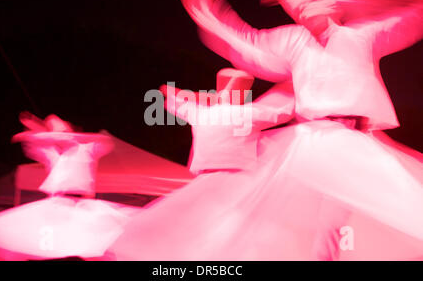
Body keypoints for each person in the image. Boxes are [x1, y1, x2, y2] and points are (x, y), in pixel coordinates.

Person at [179, 0, 423, 259]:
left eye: (310, 6)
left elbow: (411, 18)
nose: (303, 13)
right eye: (298, 9)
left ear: (331, 6)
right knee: (267, 209)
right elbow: (250, 44)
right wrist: (212, 12)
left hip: (352, 141)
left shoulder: (361, 35)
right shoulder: (294, 42)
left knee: (374, 212)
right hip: (310, 140)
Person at [108, 68, 317, 260]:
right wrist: (295, 81)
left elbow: (167, 97)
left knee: (201, 228)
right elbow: (283, 111)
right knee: (233, 230)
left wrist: (198, 96)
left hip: (212, 181)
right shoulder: (248, 113)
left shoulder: (202, 112)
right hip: (239, 183)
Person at [0, 114, 136, 260]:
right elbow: (34, 143)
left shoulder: (86, 147)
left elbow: (105, 142)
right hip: (57, 205)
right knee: (50, 245)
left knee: (92, 244)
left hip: (83, 206)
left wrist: (68, 136)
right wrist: (36, 131)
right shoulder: (50, 151)